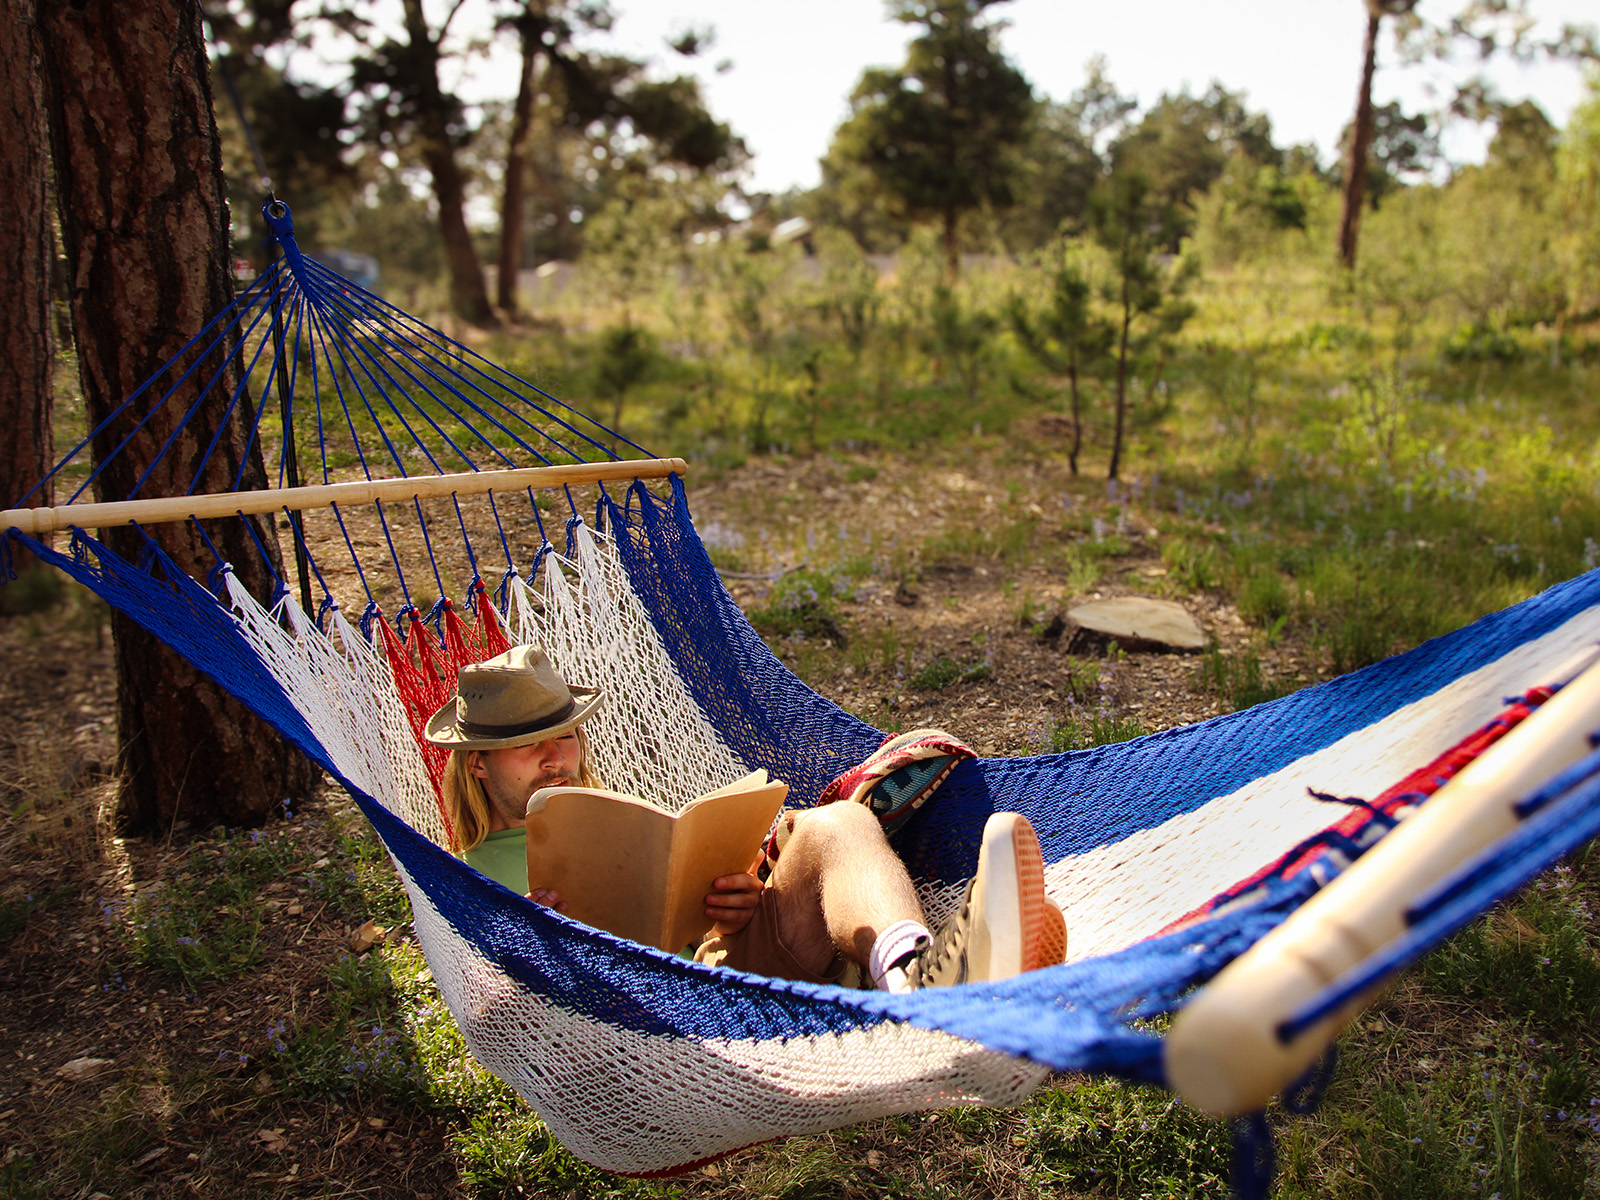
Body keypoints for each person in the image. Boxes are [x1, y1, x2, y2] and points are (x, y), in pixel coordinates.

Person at [425, 645, 1064, 991]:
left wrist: (733, 899)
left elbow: (694, 923)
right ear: (478, 763)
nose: (553, 756)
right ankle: (966, 964)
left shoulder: (621, 817)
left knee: (836, 824)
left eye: (563, 736)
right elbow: (488, 1022)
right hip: (654, 1020)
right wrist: (534, 947)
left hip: (726, 971)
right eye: (526, 744)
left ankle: (915, 974)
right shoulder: (461, 879)